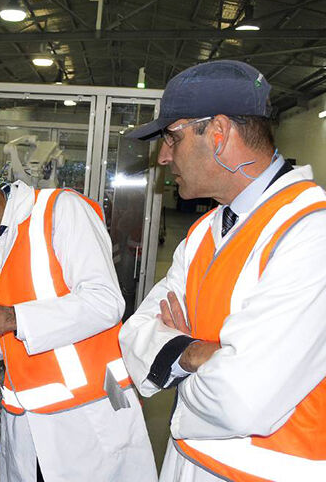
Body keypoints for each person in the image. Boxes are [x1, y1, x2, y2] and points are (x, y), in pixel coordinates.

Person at [0, 137, 156, 482]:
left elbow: (105, 301)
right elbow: (5, 340)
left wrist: (11, 316)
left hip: (86, 423)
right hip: (26, 428)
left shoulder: (60, 211)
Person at [118, 60, 326, 481]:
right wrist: (196, 352)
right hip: (186, 463)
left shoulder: (310, 233)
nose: (162, 157)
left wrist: (176, 352)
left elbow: (241, 398)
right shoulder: (205, 231)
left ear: (218, 133)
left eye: (171, 138)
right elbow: (135, 334)